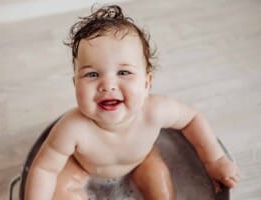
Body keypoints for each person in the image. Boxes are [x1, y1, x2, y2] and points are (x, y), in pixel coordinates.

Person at [25, 5, 240, 200]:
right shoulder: (72, 128)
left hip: (141, 162)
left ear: (147, 83)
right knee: (62, 191)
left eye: (124, 72)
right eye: (92, 75)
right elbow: (44, 169)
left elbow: (191, 119)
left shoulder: (154, 111)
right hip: (82, 168)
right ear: (75, 84)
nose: (108, 85)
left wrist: (214, 160)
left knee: (161, 189)